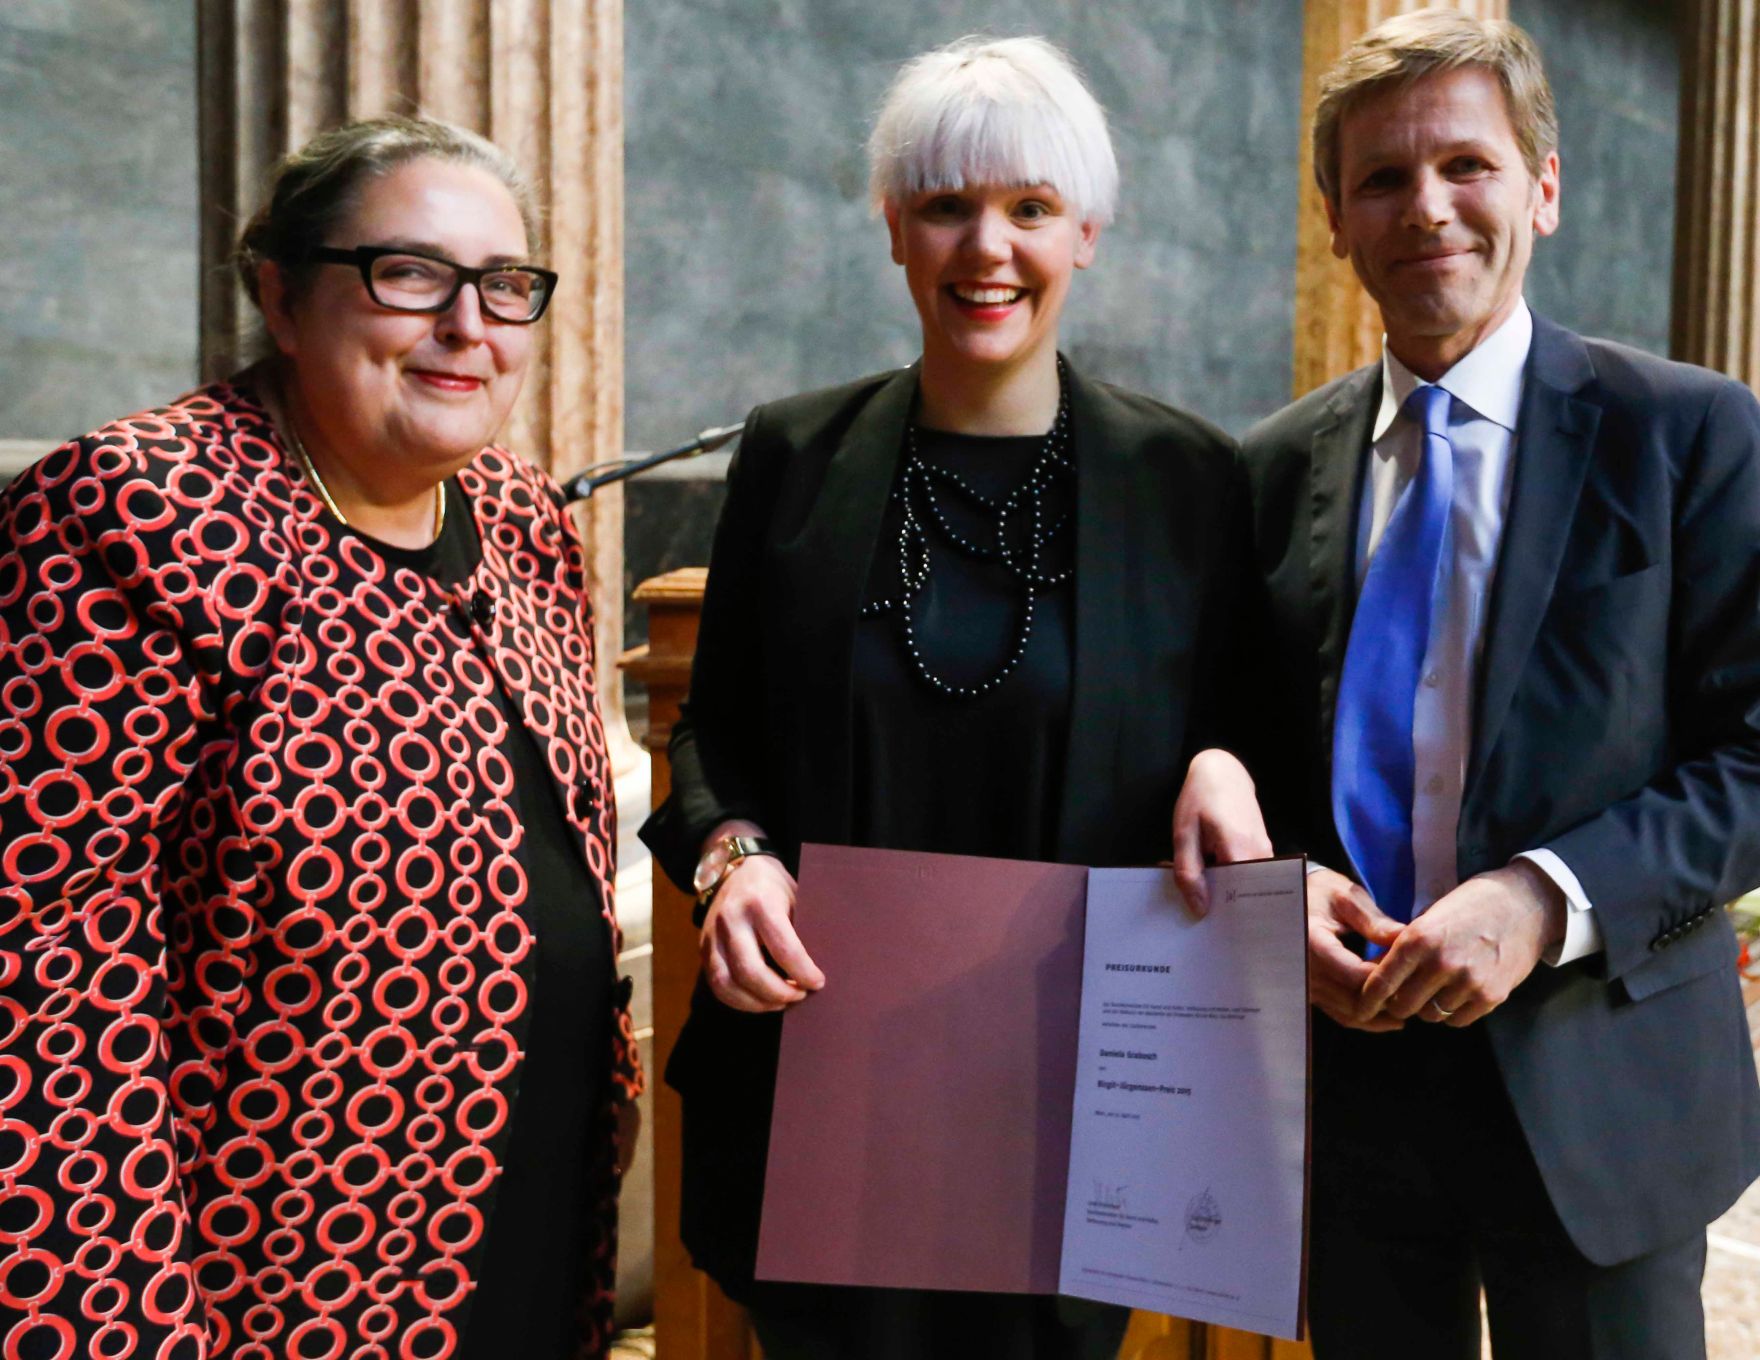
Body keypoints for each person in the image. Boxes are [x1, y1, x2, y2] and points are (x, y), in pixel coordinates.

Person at [640, 34, 1261, 1360]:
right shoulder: (795, 455)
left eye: (1031, 209)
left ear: (1086, 232)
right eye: (947, 205)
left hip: (1075, 1091)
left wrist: (1227, 761)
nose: (989, 247)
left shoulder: (1190, 482)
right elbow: (715, 732)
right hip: (828, 1084)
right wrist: (731, 858)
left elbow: (1253, 727)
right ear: (894, 229)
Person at [0, 115, 642, 1360]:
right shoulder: (142, 509)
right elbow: (43, 976)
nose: (469, 326)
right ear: (280, 295)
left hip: (524, 1211)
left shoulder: (515, 515)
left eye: (505, 287)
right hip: (273, 1276)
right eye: (410, 273)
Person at [1176, 10, 1760, 1357]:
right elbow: (1224, 728)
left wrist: (1544, 900)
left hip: (1602, 1099)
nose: (1426, 208)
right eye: (1383, 178)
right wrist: (1249, 826)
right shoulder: (1267, 471)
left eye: (1467, 167)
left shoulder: (1684, 434)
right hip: (1352, 1101)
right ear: (1336, 220)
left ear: (1544, 187)